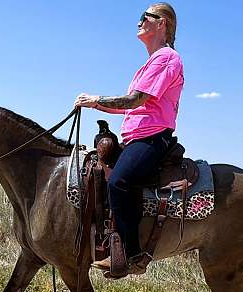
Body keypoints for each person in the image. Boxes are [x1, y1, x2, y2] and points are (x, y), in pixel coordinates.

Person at [74, 3, 184, 274]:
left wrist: (96, 99)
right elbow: (127, 106)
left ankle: (132, 255)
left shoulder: (166, 58)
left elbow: (136, 99)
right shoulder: (150, 62)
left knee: (120, 182)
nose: (138, 22)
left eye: (144, 17)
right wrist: (95, 106)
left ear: (162, 24)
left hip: (152, 138)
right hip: (137, 137)